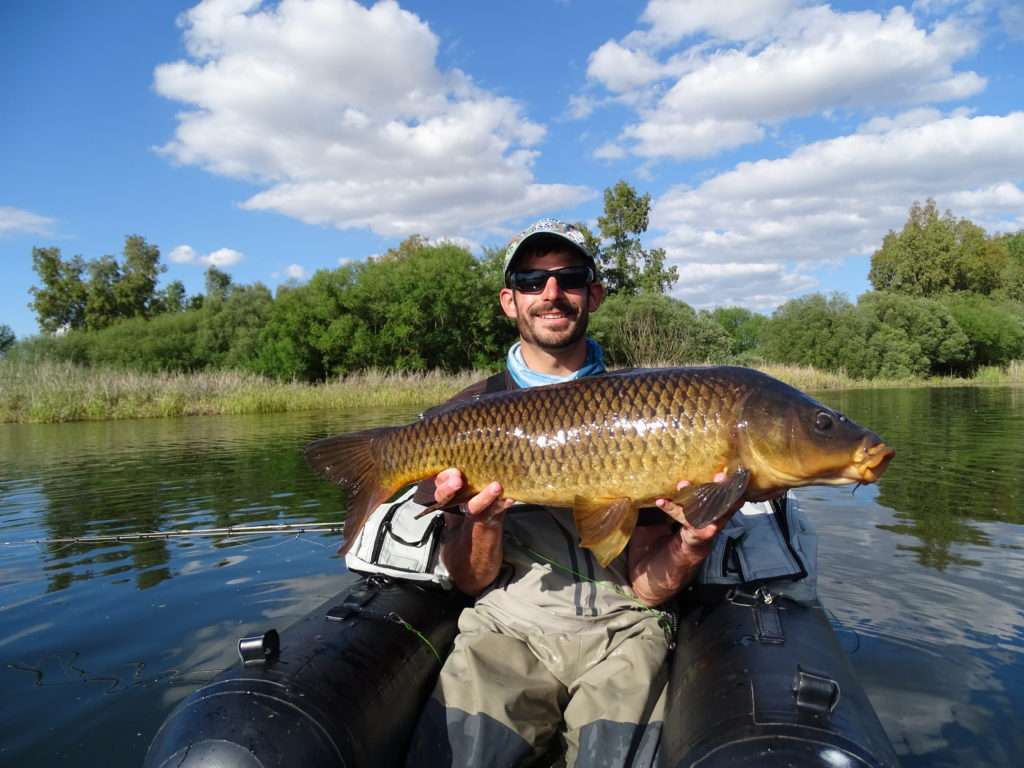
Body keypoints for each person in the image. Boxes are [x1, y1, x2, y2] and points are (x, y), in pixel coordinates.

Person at [405, 219, 738, 768]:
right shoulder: (459, 416)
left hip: (625, 627)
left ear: (595, 295)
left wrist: (692, 543)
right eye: (533, 281)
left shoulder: (654, 410)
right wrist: (484, 521)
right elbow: (470, 581)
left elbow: (648, 589)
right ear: (509, 302)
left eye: (570, 278)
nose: (552, 293)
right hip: (506, 625)